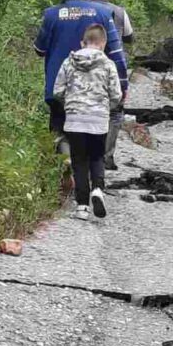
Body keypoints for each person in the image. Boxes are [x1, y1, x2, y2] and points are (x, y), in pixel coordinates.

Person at [34, 0, 128, 155]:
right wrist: (122, 84)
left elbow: (40, 50)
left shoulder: (51, 14)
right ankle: (85, 170)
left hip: (57, 86)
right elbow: (116, 54)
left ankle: (63, 163)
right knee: (90, 135)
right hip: (92, 88)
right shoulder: (103, 13)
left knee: (59, 129)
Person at [52, 24, 122, 220]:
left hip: (75, 119)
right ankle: (98, 189)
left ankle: (82, 206)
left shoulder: (69, 62)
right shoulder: (108, 64)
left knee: (79, 161)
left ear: (83, 42)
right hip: (98, 118)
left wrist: (70, 103)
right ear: (103, 43)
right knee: (97, 157)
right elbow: (116, 95)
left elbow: (57, 90)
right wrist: (107, 106)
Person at [90, 0, 134, 170]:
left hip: (86, 68)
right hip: (113, 69)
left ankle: (86, 155)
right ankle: (107, 156)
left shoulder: (83, 9)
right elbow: (129, 37)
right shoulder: (118, 12)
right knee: (115, 113)